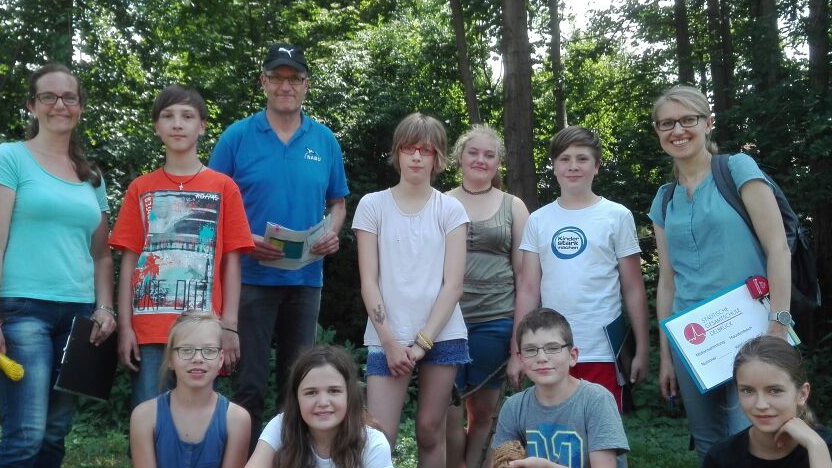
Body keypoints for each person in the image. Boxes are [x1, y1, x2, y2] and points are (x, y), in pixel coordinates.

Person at [208, 43, 349, 445]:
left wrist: (332, 231)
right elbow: (211, 202)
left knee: (299, 385)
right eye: (277, 78)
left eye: (294, 79)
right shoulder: (237, 136)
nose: (286, 86)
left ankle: (292, 457)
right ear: (263, 82)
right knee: (248, 385)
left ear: (306, 85)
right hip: (249, 279)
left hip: (306, 280)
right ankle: (247, 460)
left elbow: (338, 203)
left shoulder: (324, 139)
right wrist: (244, 239)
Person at [648, 85, 791, 459]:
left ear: (708, 123)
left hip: (753, 331)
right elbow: (667, 281)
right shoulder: (664, 198)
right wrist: (667, 355)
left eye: (688, 120)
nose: (678, 130)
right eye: (667, 123)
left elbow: (778, 248)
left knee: (757, 438)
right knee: (709, 445)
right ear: (658, 131)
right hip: (692, 340)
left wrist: (778, 324)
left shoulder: (737, 169)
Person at [110, 84, 254, 409]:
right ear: (156, 126)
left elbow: (232, 262)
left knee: (200, 417)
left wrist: (229, 326)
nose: (177, 124)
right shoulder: (140, 188)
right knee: (149, 416)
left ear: (202, 126)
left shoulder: (224, 187)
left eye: (187, 116)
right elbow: (129, 261)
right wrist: (125, 326)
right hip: (149, 331)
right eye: (168, 116)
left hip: (204, 329)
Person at [0, 63, 115, 466]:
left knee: (54, 434)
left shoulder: (92, 177)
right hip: (22, 310)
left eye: (69, 97)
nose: (59, 105)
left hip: (79, 316)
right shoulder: (10, 158)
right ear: (32, 105)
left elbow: (102, 254)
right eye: (48, 96)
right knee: (26, 435)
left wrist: (105, 308)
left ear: (80, 106)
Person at [352, 112, 469, 465]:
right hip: (386, 336)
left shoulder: (451, 209)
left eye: (426, 150)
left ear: (438, 157)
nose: (417, 156)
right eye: (409, 148)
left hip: (442, 334)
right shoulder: (372, 205)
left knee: (430, 430)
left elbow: (453, 285)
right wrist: (389, 341)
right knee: (379, 437)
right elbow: (368, 281)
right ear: (397, 152)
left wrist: (422, 344)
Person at [513, 126, 650, 410]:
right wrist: (518, 351)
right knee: (556, 429)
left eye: (582, 158)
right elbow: (528, 289)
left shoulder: (617, 216)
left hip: (604, 350)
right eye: (564, 159)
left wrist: (642, 349)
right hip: (549, 350)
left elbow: (633, 288)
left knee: (602, 430)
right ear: (554, 167)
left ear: (597, 166)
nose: (573, 166)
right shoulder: (538, 220)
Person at [444, 124, 529, 468]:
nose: (481, 160)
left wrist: (518, 346)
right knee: (447, 411)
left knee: (482, 413)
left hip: (496, 321)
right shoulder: (440, 202)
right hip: (445, 322)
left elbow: (525, 277)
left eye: (489, 155)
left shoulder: (514, 206)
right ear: (459, 157)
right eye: (473, 152)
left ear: (498, 163)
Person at [491, 308, 629, 467]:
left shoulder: (596, 400)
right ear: (521, 359)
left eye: (552, 348)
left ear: (572, 356)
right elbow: (500, 462)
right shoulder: (514, 407)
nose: (542, 358)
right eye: (530, 350)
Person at [130, 312, 251, 468]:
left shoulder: (237, 419)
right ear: (170, 359)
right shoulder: (144, 416)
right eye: (186, 350)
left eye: (209, 350)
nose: (198, 359)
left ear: (220, 359)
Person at [245, 346, 393, 468]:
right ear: (296, 399)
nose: (323, 402)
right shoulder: (282, 426)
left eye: (334, 391)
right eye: (311, 392)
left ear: (349, 395)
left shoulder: (373, 444)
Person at [703, 335, 832, 468]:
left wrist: (816, 447)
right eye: (747, 390)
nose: (761, 405)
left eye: (775, 391)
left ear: (802, 394)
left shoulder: (824, 446)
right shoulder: (721, 457)